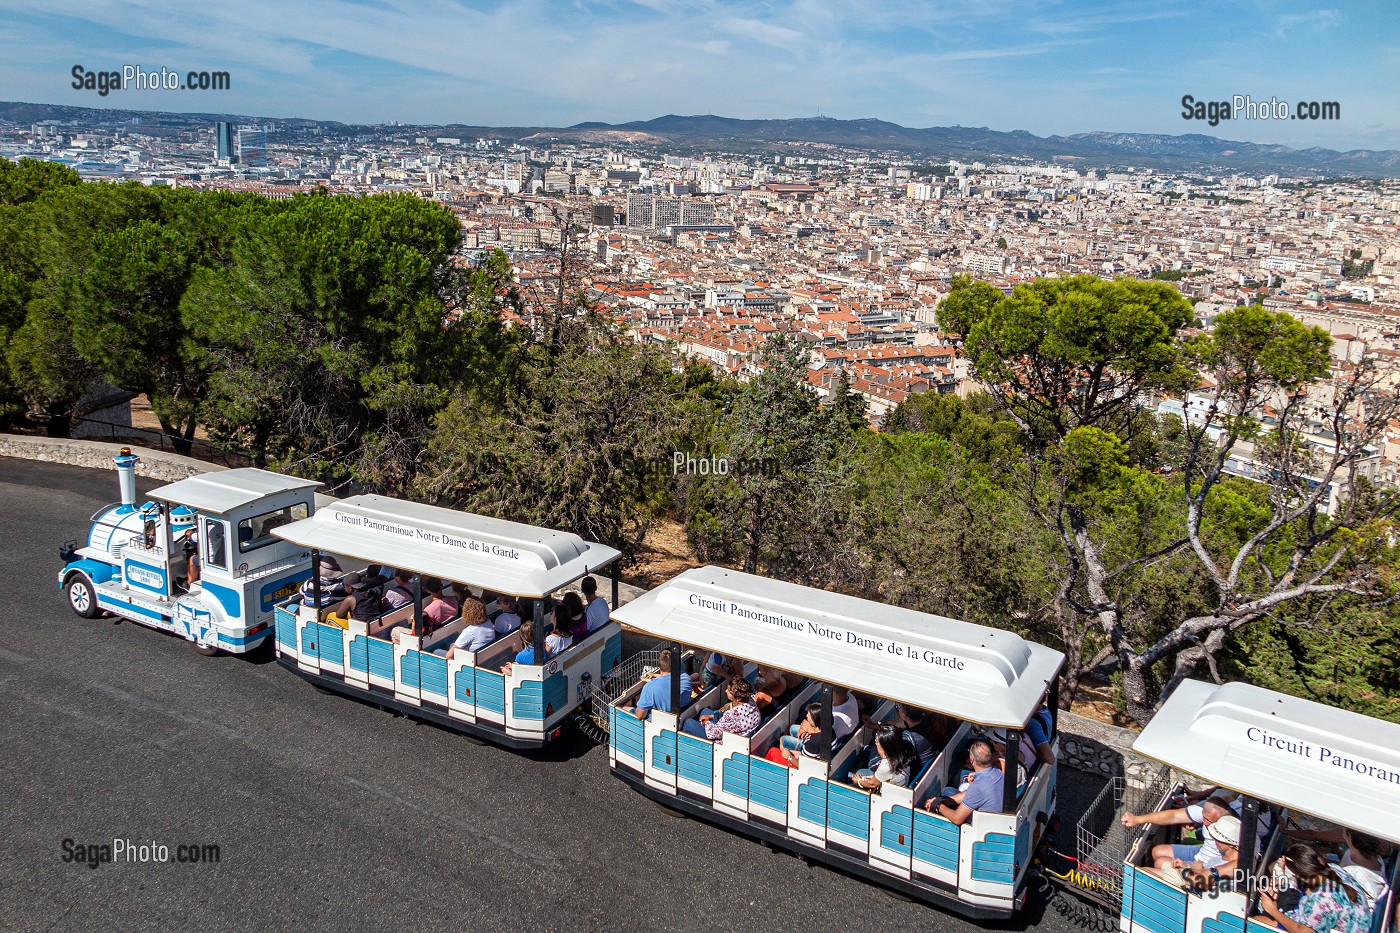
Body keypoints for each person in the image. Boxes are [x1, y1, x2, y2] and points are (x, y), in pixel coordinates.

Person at [1256, 844, 1372, 933]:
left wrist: (1273, 911)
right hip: (1355, 924)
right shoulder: (1332, 868)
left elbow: (1305, 931)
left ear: (1296, 873)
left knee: (1259, 921)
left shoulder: (1321, 899)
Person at [1122, 794, 1240, 871]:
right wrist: (1138, 819)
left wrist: (1193, 868)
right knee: (1157, 850)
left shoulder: (1235, 831)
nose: (1204, 822)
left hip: (1208, 866)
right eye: (1203, 818)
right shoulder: (1208, 814)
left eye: (1208, 820)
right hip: (1200, 853)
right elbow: (1173, 816)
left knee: (1158, 863)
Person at [1289, 827, 1391, 910]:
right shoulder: (1373, 857)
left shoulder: (1354, 874)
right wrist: (1335, 851)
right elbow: (1344, 864)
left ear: (1349, 837)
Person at [924, 738, 1003, 825]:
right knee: (948, 793)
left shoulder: (977, 787)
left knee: (947, 791)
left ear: (971, 759)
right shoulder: (997, 772)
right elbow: (970, 793)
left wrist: (938, 805)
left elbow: (957, 819)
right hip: (993, 818)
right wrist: (941, 800)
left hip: (980, 826)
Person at [1177, 815, 1242, 892]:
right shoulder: (1216, 859)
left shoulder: (1238, 868)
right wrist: (1187, 866)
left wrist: (1194, 870)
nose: (1215, 840)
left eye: (1218, 839)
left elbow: (1193, 882)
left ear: (1231, 844)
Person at [681, 678, 761, 740]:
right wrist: (710, 717)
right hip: (736, 731)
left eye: (729, 691)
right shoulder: (751, 701)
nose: (726, 691)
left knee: (688, 723)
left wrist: (707, 722)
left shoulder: (732, 714)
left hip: (722, 741)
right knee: (704, 711)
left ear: (737, 698)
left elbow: (713, 733)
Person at [626, 649, 694, 720]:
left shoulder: (649, 688)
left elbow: (640, 716)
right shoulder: (686, 678)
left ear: (660, 666)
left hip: (664, 721)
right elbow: (668, 681)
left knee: (626, 708)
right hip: (684, 714)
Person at [853, 724, 917, 793]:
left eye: (877, 741)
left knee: (854, 774)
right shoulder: (903, 752)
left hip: (887, 795)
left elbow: (873, 784)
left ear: (883, 747)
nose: (875, 742)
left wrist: (859, 781)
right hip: (897, 786)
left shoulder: (886, 765)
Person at [766, 703, 830, 767]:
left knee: (773, 751)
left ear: (815, 719)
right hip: (813, 761)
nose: (807, 716)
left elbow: (803, 766)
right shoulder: (829, 731)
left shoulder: (812, 744)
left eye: (809, 715)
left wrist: (789, 756)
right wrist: (800, 754)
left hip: (803, 769)